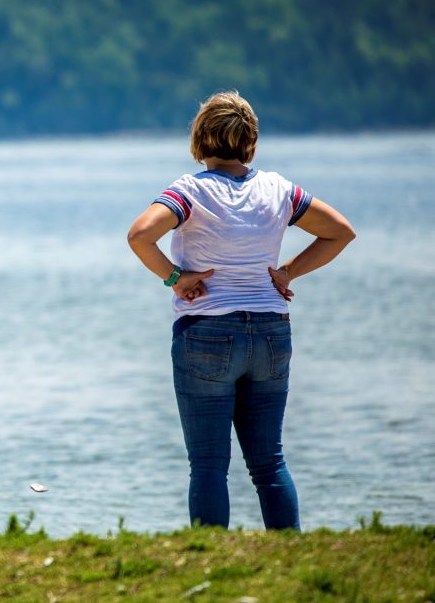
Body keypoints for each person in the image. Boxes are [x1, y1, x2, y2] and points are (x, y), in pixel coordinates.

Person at [126, 92, 355, 530]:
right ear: (250, 140)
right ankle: (289, 556)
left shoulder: (189, 190)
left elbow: (140, 236)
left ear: (199, 139)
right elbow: (340, 232)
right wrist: (287, 273)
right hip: (271, 331)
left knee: (209, 464)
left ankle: (211, 558)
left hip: (206, 333)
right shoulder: (279, 189)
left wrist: (176, 278)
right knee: (269, 463)